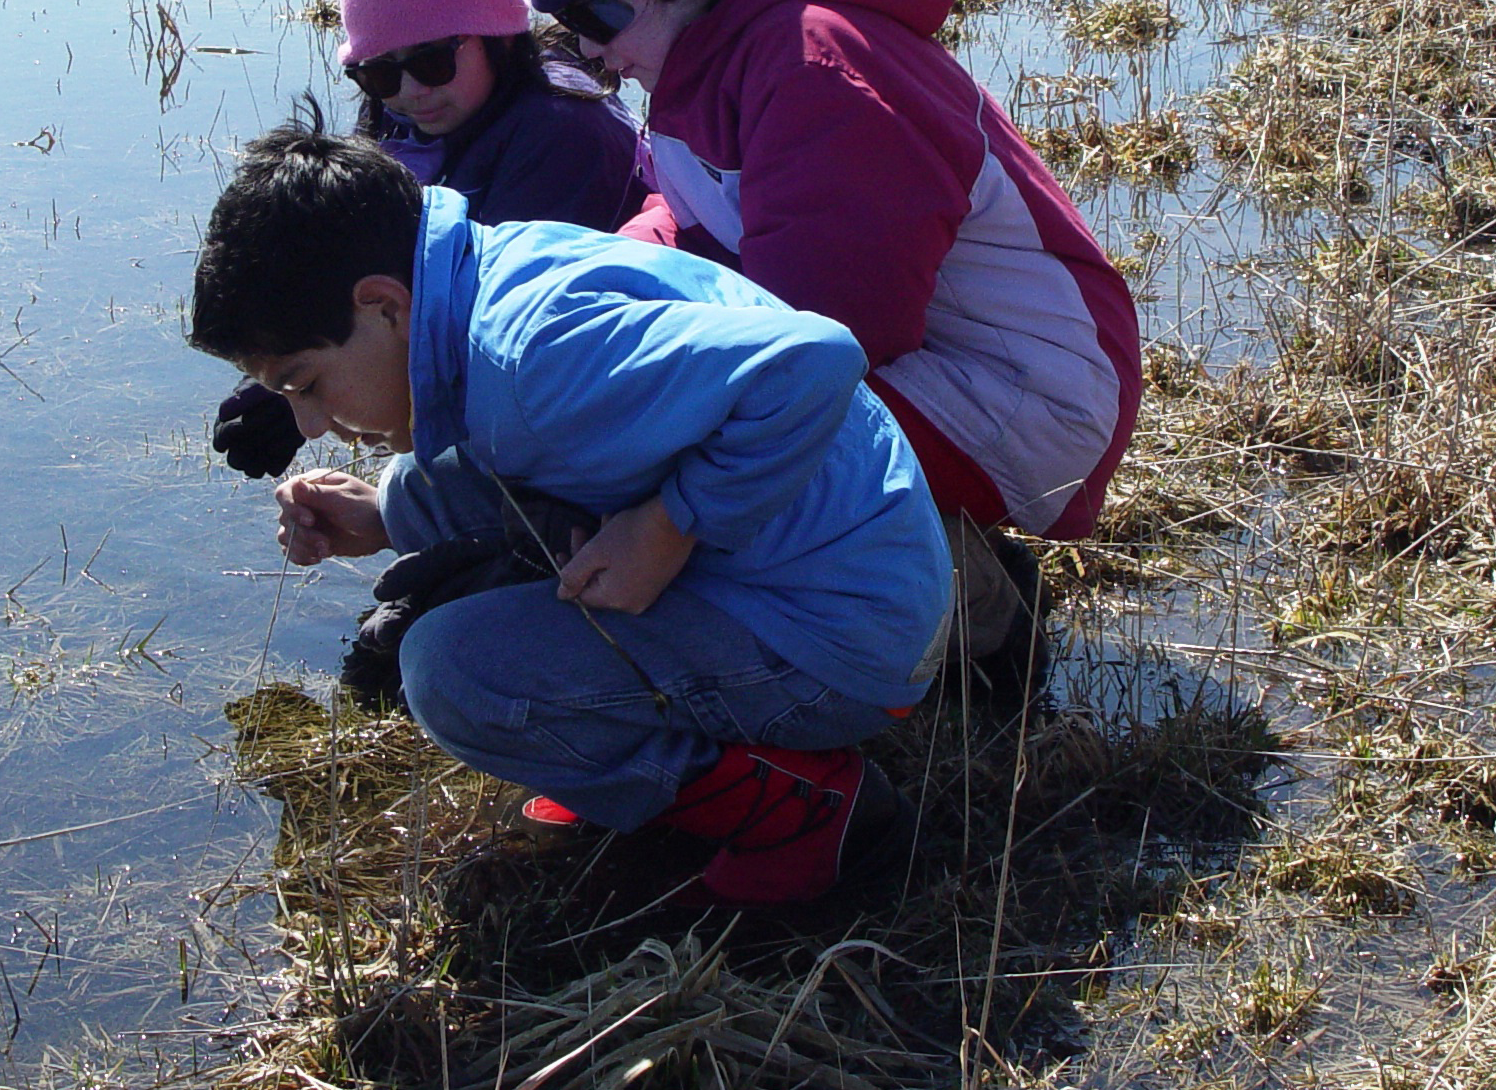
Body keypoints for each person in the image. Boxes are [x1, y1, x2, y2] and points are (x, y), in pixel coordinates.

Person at [188, 119, 951, 907]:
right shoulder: (482, 283)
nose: (311, 426)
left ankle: (806, 811)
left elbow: (812, 360)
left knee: (456, 672)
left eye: (305, 383)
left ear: (383, 305)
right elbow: (513, 454)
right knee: (501, 599)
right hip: (847, 587)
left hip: (842, 646)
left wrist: (671, 523)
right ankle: (637, 763)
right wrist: (387, 510)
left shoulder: (528, 359)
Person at [524, 0, 1142, 674]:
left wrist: (672, 512)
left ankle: (964, 612)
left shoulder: (815, 71)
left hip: (1026, 392)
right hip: (933, 361)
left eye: (597, 14)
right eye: (563, 20)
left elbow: (830, 345)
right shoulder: (709, 49)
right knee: (643, 399)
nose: (588, 51)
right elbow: (690, 221)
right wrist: (582, 286)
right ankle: (896, 559)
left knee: (685, 435)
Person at [210, 0, 644, 484]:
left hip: (590, 403)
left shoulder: (567, 133)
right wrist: (291, 370)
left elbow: (472, 338)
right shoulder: (404, 116)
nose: (411, 91)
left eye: (434, 61)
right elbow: (348, 261)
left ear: (496, 33)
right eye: (380, 74)